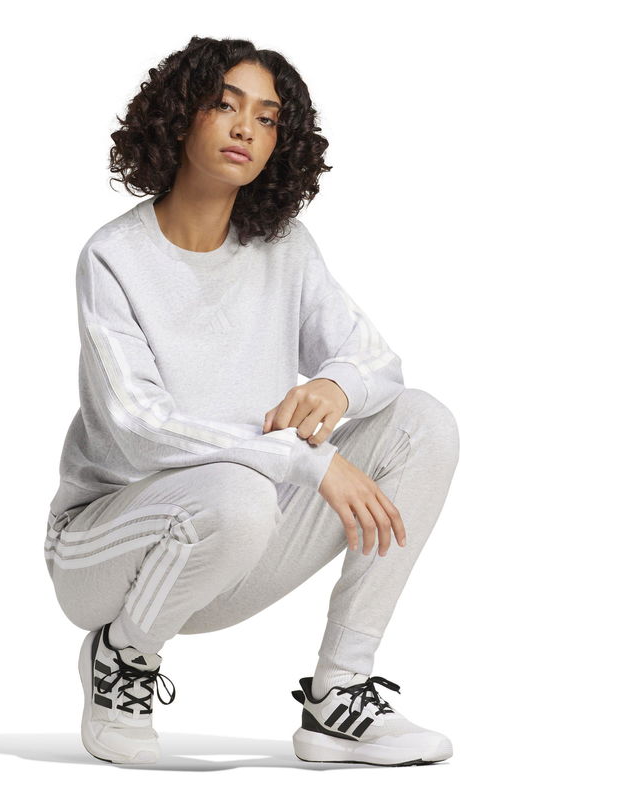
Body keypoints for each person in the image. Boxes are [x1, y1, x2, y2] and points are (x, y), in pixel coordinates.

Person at [44, 36, 460, 767]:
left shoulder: (284, 248)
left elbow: (377, 361)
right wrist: (305, 461)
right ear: (180, 115)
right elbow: (138, 426)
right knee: (240, 492)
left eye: (267, 119)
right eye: (225, 106)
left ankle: (338, 694)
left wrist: (334, 385)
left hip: (235, 544)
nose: (245, 129)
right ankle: (122, 657)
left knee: (422, 424)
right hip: (105, 552)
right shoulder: (114, 257)